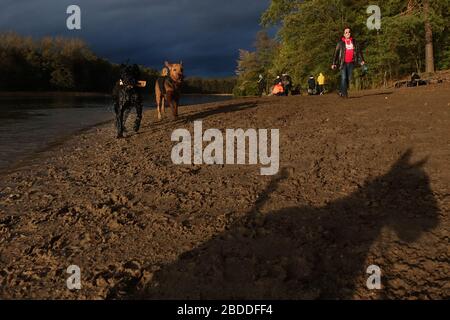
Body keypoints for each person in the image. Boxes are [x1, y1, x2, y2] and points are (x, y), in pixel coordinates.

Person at [332, 27, 365, 98]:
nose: (348, 33)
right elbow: (336, 54)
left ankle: (341, 91)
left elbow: (358, 52)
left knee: (348, 78)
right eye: (346, 32)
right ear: (344, 34)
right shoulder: (340, 43)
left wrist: (361, 60)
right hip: (343, 63)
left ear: (350, 33)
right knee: (343, 78)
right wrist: (334, 63)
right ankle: (344, 94)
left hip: (351, 63)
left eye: (349, 32)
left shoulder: (354, 42)